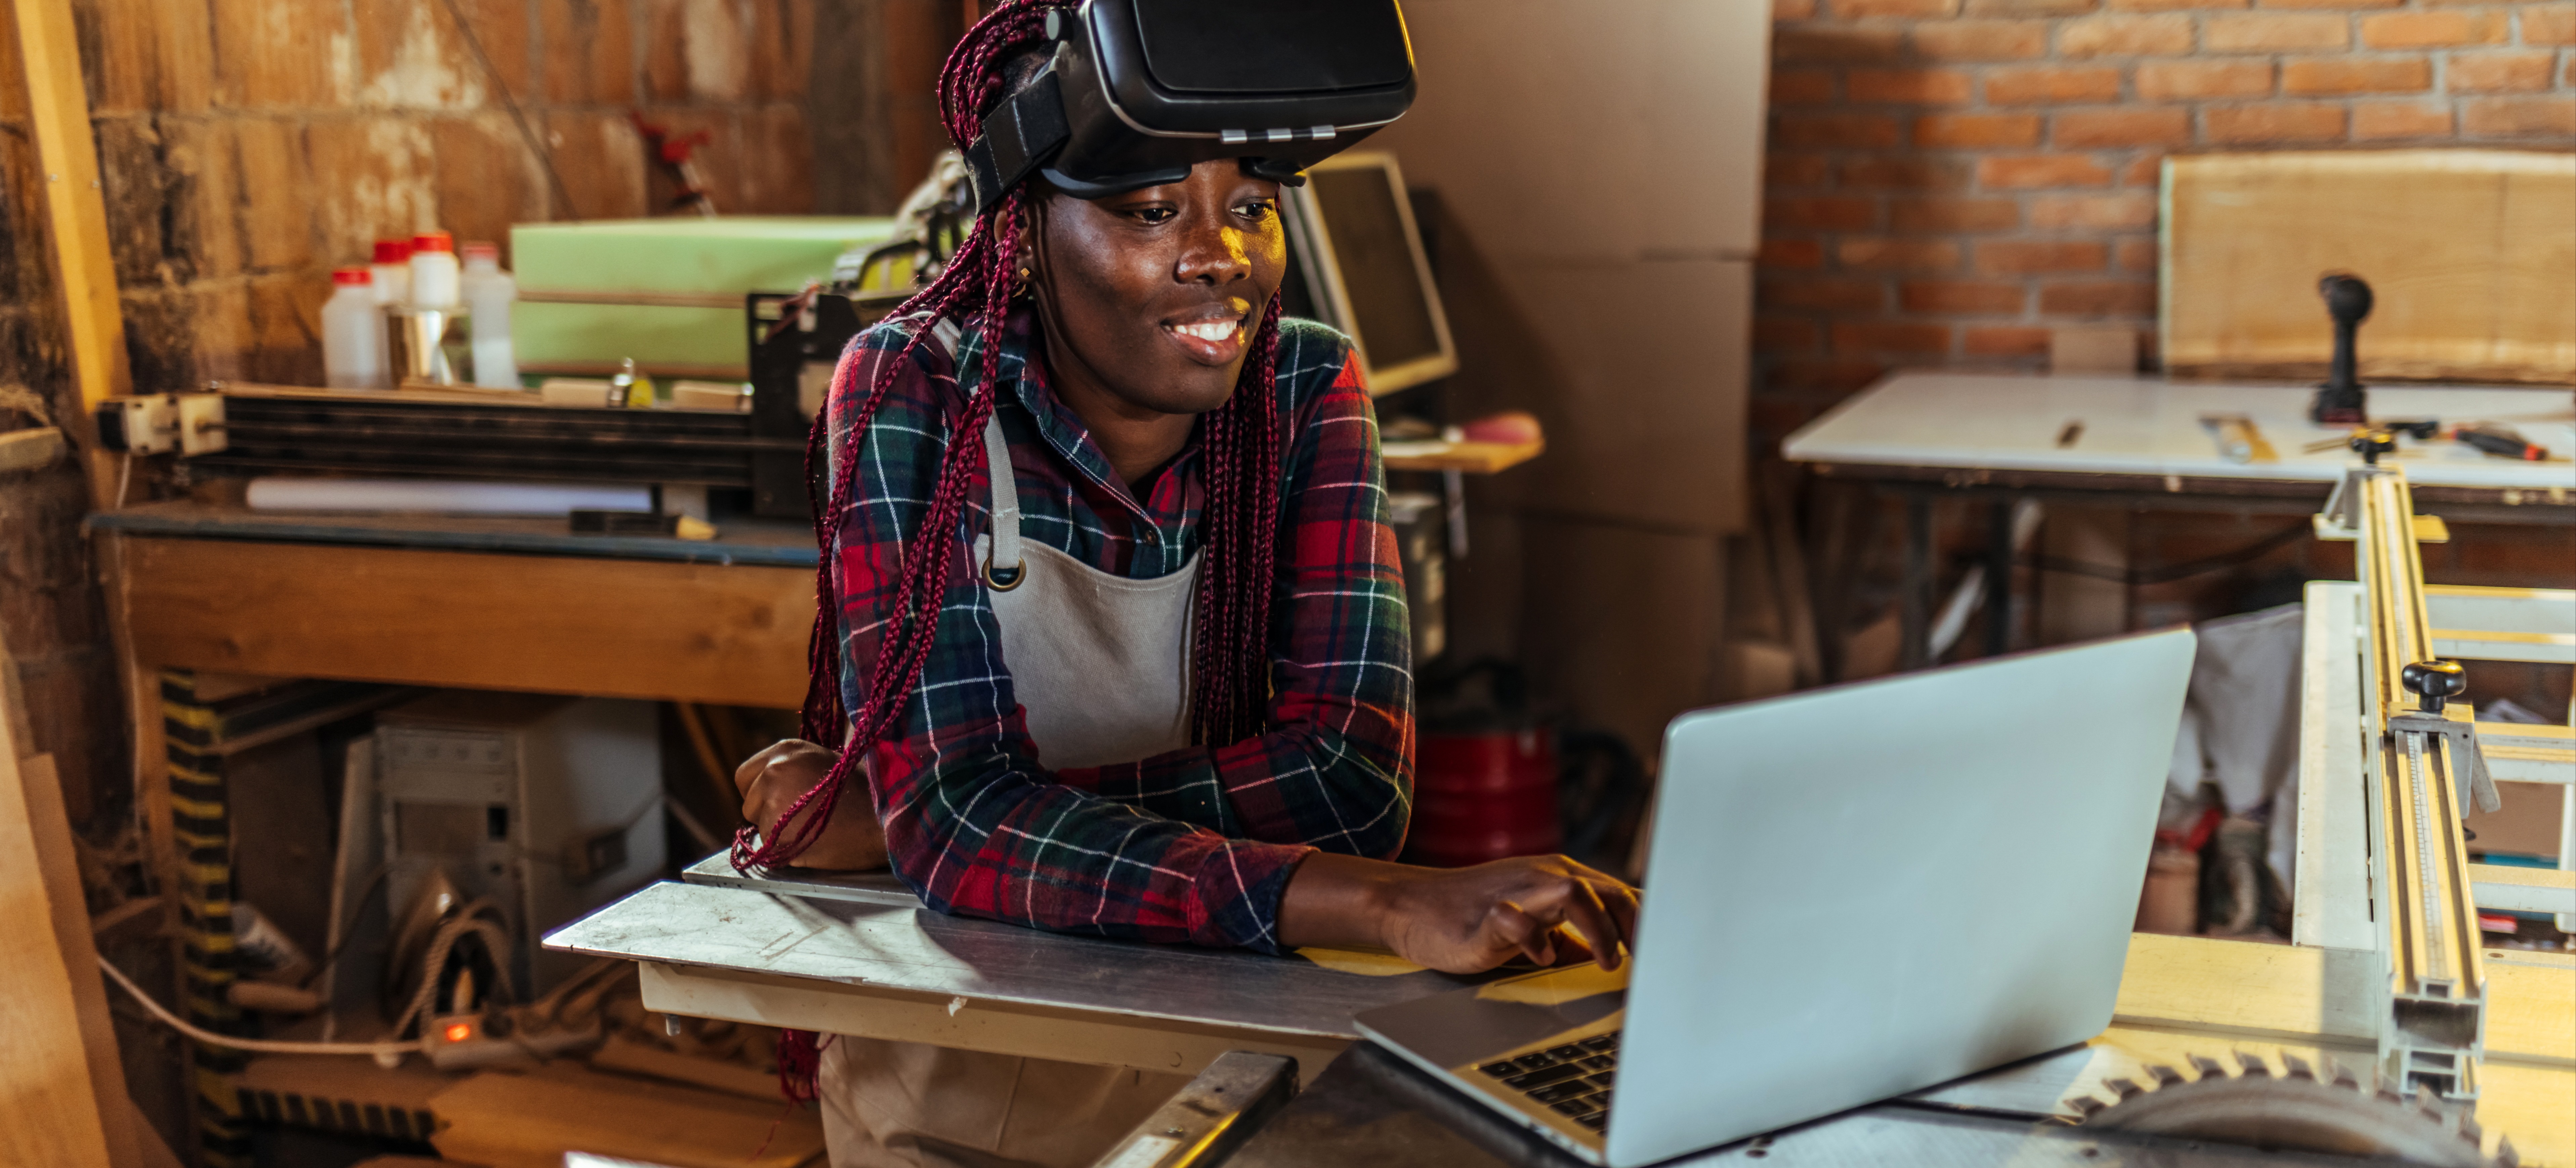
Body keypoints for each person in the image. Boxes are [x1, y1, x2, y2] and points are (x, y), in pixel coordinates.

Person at [733, 4, 1638, 1165]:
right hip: (958, 1080)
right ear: (1027, 226)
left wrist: (934, 815)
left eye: (1249, 210)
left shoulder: (1306, 385)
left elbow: (1353, 790)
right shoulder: (912, 390)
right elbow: (961, 829)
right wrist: (1375, 902)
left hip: (1236, 1054)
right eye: (1151, 210)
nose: (1221, 256)